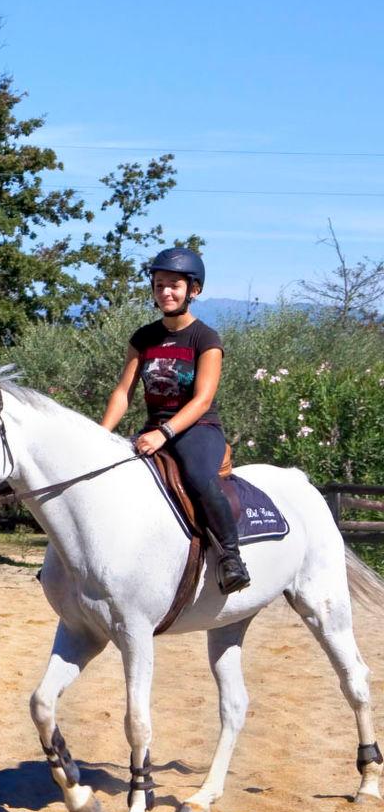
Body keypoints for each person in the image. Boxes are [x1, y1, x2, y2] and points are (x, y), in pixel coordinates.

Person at [100, 246, 249, 593]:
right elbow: (124, 392)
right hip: (154, 428)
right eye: (159, 285)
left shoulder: (205, 338)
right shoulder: (143, 338)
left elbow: (203, 399)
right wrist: (101, 436)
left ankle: (231, 557)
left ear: (193, 290)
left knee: (198, 476)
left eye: (174, 285)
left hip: (197, 428)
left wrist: (164, 433)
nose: (165, 292)